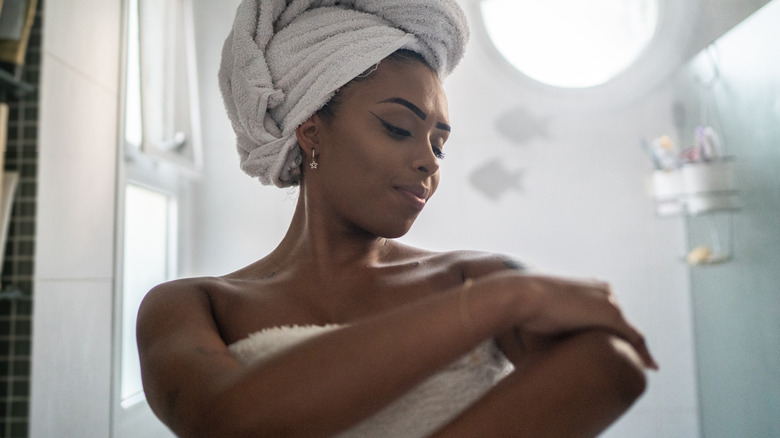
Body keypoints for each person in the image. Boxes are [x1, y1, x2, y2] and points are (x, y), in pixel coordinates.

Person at [136, 1, 658, 437]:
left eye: (440, 144)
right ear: (311, 130)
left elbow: (612, 368)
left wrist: (497, 293)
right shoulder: (191, 306)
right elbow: (227, 421)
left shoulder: (468, 276)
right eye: (397, 127)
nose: (430, 161)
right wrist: (508, 300)